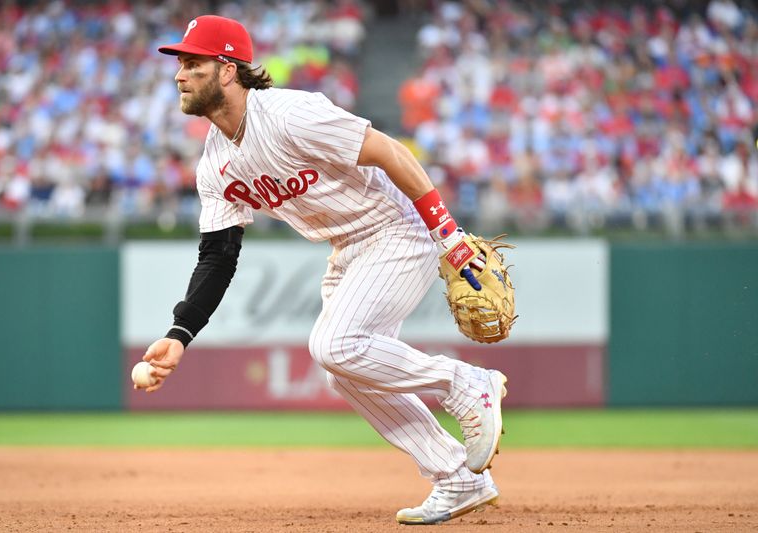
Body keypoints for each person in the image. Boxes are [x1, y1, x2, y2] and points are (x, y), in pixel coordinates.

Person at [139, 15, 508, 526]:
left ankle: (466, 384)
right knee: (344, 372)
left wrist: (445, 232)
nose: (180, 74)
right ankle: (456, 476)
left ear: (227, 70)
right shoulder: (214, 164)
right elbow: (218, 256)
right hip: (347, 246)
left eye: (192, 62)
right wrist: (180, 333)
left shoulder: (289, 114)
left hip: (394, 227)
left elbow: (389, 150)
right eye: (179, 63)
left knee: (334, 345)